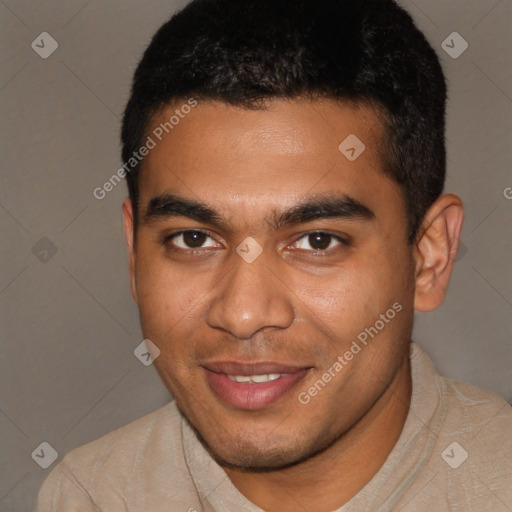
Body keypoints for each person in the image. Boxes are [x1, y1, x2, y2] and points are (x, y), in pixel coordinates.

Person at [38, 0, 511, 510]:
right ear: (134, 255)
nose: (242, 315)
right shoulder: (90, 497)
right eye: (193, 239)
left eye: (317, 241)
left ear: (429, 256)